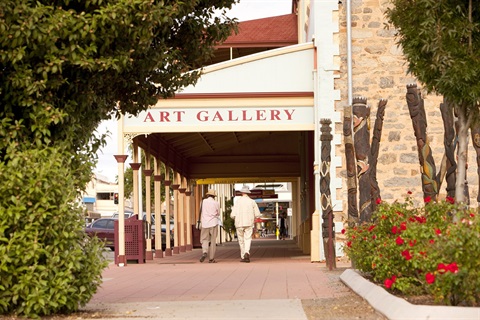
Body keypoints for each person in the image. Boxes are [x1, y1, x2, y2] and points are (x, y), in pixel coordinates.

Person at [230, 185, 261, 263]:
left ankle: (243, 255)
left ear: (242, 193)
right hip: (248, 223)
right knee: (248, 239)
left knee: (241, 240)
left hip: (239, 223)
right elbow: (257, 214)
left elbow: (232, 215)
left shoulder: (237, 202)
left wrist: (235, 218)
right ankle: (247, 252)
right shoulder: (252, 202)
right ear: (248, 193)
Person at [199, 189, 220, 263]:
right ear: (214, 196)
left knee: (204, 239)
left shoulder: (203, 202)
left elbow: (201, 211)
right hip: (213, 223)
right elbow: (218, 213)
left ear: (207, 195)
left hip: (205, 223)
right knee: (213, 241)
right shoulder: (216, 203)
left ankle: (205, 251)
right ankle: (211, 258)